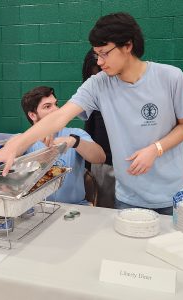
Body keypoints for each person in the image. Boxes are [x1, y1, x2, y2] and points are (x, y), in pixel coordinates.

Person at [0, 12, 183, 215]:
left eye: (104, 54)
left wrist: (155, 149)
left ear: (128, 45)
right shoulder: (98, 84)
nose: (99, 62)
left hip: (173, 194)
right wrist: (15, 146)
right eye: (97, 54)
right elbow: (60, 117)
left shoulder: (170, 77)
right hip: (128, 197)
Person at [21, 86, 106, 205]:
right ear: (33, 115)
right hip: (36, 209)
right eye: (47, 106)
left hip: (74, 208)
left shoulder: (75, 134)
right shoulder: (23, 141)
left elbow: (100, 158)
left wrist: (74, 141)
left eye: (56, 104)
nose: (56, 110)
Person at [82, 48, 115, 208]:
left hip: (131, 163)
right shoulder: (92, 93)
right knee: (105, 209)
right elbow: (89, 130)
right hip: (103, 163)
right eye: (95, 74)